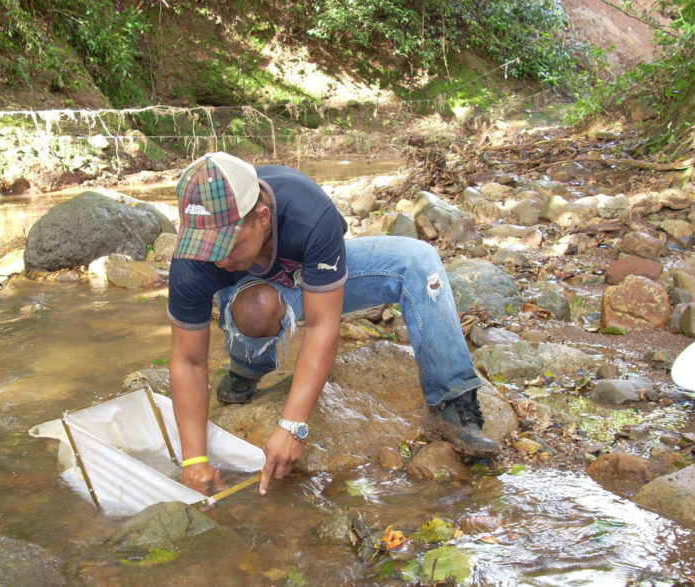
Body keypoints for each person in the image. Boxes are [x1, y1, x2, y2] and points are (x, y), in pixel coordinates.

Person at [167, 152, 498, 496]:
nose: (218, 259)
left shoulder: (309, 212)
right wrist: (194, 461)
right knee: (257, 307)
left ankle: (453, 400)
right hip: (253, 293)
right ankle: (247, 367)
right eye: (208, 248)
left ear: (262, 217)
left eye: (227, 246)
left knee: (421, 261)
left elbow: (324, 325)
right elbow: (188, 360)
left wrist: (292, 426)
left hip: (312, 273)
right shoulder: (194, 257)